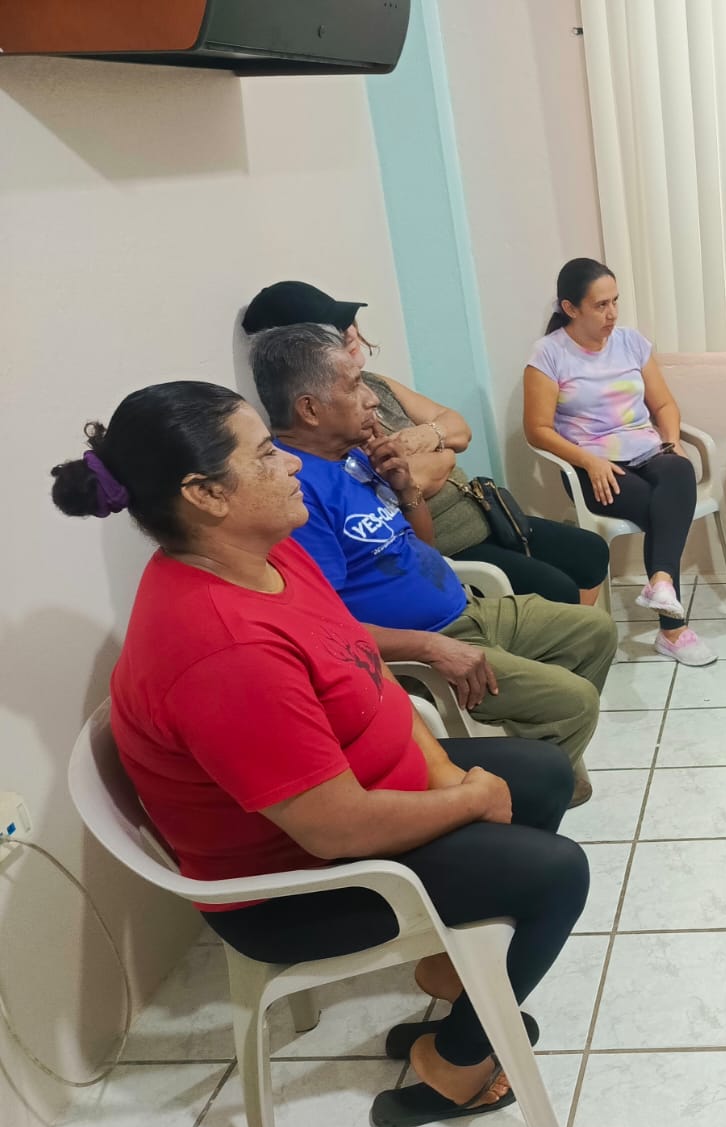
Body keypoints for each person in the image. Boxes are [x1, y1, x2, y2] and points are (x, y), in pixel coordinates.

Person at [50, 381, 589, 1127]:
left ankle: (457, 969)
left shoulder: (265, 553)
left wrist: (445, 775)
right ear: (206, 494)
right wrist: (468, 799)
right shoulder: (221, 649)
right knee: (558, 875)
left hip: (353, 798)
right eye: (265, 455)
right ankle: (456, 1064)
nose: (293, 465)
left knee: (544, 776)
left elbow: (356, 661)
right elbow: (334, 829)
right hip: (292, 887)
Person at [247, 322, 616, 805]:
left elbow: (423, 547)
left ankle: (541, 759)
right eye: (354, 386)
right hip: (424, 646)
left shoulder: (355, 460)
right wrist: (430, 647)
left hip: (464, 608)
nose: (372, 400)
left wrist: (406, 489)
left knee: (595, 631)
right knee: (575, 701)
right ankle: (527, 793)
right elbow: (325, 627)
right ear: (310, 409)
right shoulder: (300, 492)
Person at [241, 280, 611, 607]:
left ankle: (568, 641)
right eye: (337, 327)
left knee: (590, 551)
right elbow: (417, 476)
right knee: (557, 588)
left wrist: (428, 437)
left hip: (484, 510)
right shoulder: (326, 423)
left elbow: (460, 430)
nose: (352, 331)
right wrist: (442, 450)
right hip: (450, 538)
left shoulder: (374, 385)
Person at [523, 257, 718, 667]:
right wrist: (588, 461)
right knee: (665, 508)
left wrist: (671, 442)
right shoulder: (549, 354)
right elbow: (537, 429)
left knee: (679, 468)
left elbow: (663, 405)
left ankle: (660, 582)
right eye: (600, 305)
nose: (612, 313)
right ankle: (673, 630)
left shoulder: (631, 342)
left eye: (615, 302)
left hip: (646, 450)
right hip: (591, 468)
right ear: (570, 308)